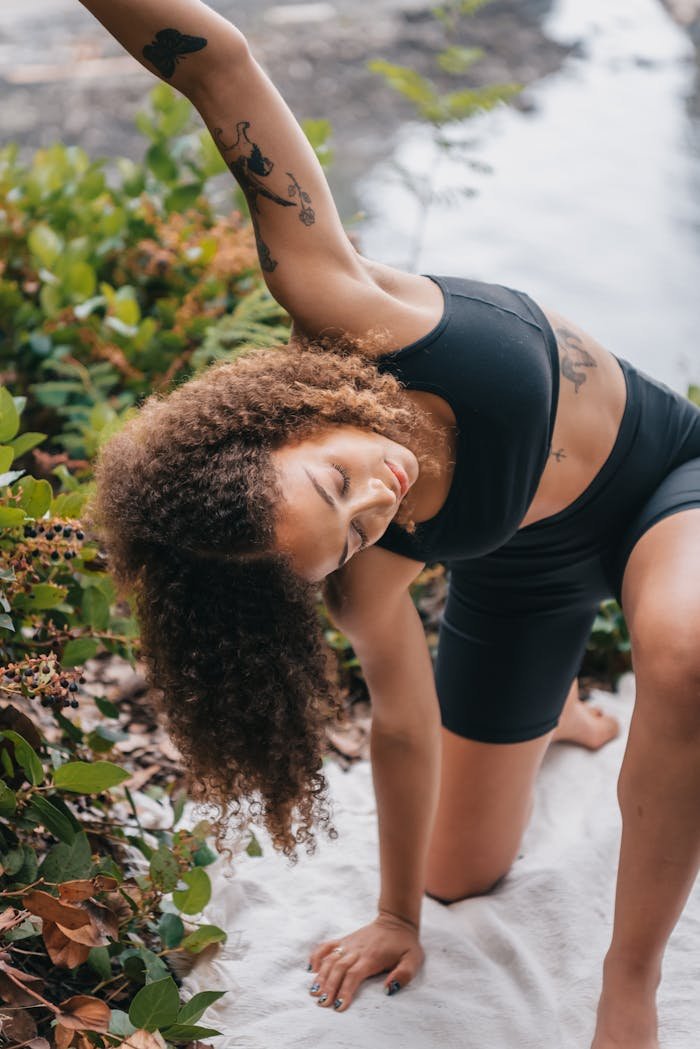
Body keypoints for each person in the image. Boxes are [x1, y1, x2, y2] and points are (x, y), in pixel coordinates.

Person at [80, 2, 700, 1046]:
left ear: (282, 419)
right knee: (462, 872)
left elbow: (217, 66)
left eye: (334, 485)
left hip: (661, 489)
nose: (381, 501)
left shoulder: (343, 303)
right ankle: (559, 713)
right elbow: (400, 723)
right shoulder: (363, 573)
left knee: (681, 655)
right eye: (358, 533)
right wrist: (398, 912)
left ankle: (627, 986)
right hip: (521, 576)